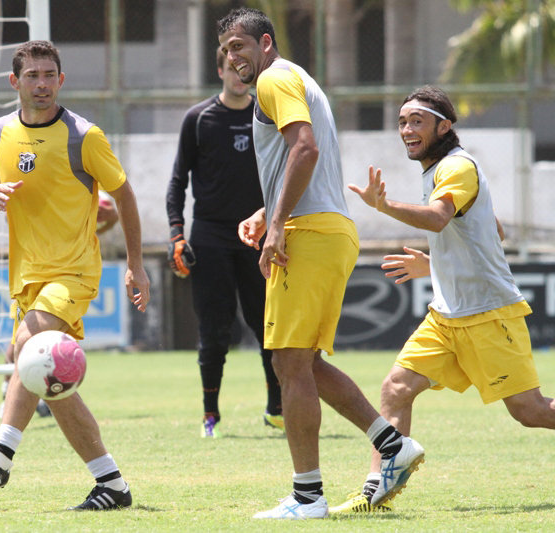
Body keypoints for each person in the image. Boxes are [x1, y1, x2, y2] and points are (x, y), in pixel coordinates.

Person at [216, 7, 424, 519]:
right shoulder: (300, 79)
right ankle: (391, 444)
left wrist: (280, 224)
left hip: (309, 233)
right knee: (305, 362)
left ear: (265, 43)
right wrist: (270, 211)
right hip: (329, 228)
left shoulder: (274, 79)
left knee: (288, 362)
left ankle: (308, 496)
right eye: (224, 51)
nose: (231, 57)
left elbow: (304, 150)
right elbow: (309, 159)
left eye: (239, 45)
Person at [334, 85, 555, 514]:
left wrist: (385, 206)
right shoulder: (438, 170)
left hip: (489, 314)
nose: (406, 129)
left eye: (416, 121)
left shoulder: (457, 166)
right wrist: (435, 265)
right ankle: (375, 491)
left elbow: (438, 219)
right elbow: (493, 229)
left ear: (444, 126)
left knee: (530, 412)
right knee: (395, 389)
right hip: (447, 316)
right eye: (401, 122)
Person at [0, 40, 150, 511]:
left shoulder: (85, 136)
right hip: (26, 277)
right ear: (15, 82)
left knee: (31, 350)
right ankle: (112, 484)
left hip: (74, 271)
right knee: (50, 380)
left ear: (61, 81)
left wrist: (136, 264)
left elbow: (123, 196)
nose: (41, 84)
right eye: (32, 76)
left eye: (49, 75)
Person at [166, 46, 282, 438]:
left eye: (243, 68)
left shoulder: (267, 115)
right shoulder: (198, 119)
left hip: (257, 238)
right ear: (219, 70)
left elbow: (284, 175)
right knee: (214, 332)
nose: (237, 74)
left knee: (269, 328)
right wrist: (176, 234)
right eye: (230, 67)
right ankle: (210, 416)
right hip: (211, 237)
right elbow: (178, 182)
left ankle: (276, 408)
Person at [0, 191, 119, 420]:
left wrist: (94, 231)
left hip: (66, 273)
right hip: (31, 273)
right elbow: (9, 217)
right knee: (22, 337)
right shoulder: (33, 185)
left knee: (39, 337)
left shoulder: (92, 190)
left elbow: (113, 214)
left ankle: (42, 398)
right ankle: (9, 389)